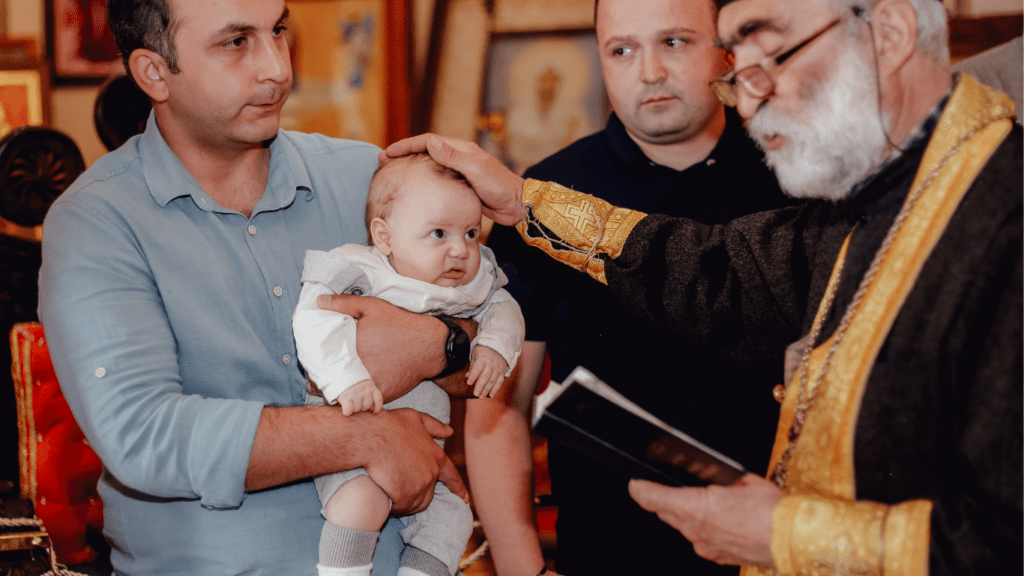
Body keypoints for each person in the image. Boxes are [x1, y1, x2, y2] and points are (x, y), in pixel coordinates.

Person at [383, 0, 1023, 572]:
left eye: (772, 54)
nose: (749, 101)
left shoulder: (1002, 213)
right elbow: (721, 272)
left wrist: (783, 534)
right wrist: (524, 202)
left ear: (888, 31)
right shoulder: (890, 197)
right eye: (740, 74)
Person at [37, 0, 475, 574]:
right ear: (154, 72)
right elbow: (144, 434)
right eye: (236, 41)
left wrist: (439, 342)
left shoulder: (367, 178)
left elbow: (487, 346)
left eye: (278, 31)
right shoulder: (95, 223)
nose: (277, 68)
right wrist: (363, 438)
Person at [464, 0, 795, 574]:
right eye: (622, 50)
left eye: (674, 43)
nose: (649, 72)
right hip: (605, 552)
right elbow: (497, 408)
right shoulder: (540, 197)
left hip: (775, 550)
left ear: (725, 49)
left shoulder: (795, 177)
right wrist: (524, 567)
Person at [293, 153, 524, 576]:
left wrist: (493, 347)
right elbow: (314, 316)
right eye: (439, 233)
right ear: (384, 236)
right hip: (351, 426)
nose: (460, 250)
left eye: (472, 233)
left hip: (425, 455)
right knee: (362, 500)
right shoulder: (361, 269)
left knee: (453, 518)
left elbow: (505, 308)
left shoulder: (472, 281)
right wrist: (345, 380)